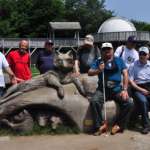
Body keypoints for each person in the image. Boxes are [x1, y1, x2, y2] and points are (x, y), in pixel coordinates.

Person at [88, 42, 133, 136]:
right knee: (94, 101)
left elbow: (125, 74)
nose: (106, 51)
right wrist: (99, 70)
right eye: (104, 49)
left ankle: (120, 125)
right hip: (102, 89)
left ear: (112, 50)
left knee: (129, 102)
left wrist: (124, 89)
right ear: (102, 51)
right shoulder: (98, 61)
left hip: (117, 89)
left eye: (108, 49)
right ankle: (100, 125)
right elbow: (89, 72)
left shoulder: (119, 60)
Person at [128, 46, 150, 134]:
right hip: (137, 88)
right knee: (143, 101)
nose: (142, 56)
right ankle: (145, 126)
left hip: (149, 87)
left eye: (144, 54)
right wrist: (141, 90)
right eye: (140, 54)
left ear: (148, 55)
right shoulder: (133, 65)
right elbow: (131, 81)